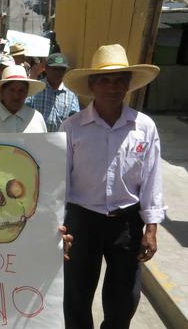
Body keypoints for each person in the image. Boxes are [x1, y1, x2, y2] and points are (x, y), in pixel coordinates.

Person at [60, 44, 163, 329]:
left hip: (126, 224)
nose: (113, 87)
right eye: (105, 80)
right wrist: (59, 226)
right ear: (92, 85)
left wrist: (151, 228)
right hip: (82, 221)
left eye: (120, 80)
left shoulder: (145, 127)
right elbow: (61, 182)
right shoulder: (72, 128)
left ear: (129, 85)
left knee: (123, 301)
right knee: (77, 299)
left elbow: (152, 179)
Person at [0, 65, 47, 133]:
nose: (16, 96)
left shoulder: (36, 118)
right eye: (11, 90)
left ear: (27, 92)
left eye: (21, 90)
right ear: (2, 91)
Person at [25, 53, 80, 132]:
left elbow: (75, 120)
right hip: (36, 139)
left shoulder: (71, 94)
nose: (58, 72)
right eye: (55, 69)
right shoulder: (36, 89)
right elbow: (25, 113)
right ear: (46, 69)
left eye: (62, 69)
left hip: (60, 141)